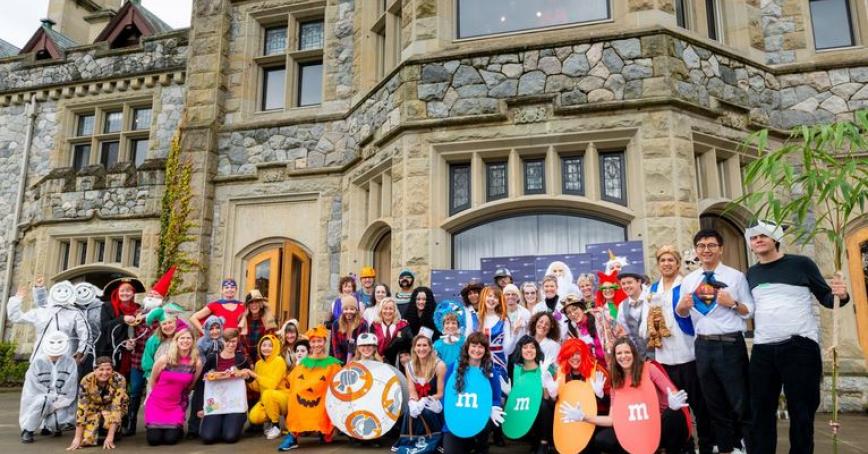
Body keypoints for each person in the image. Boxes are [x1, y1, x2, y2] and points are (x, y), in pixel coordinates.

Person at [745, 221, 850, 454]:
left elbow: (826, 297)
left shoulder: (802, 264)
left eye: (763, 235)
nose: (758, 240)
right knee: (760, 413)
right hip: (763, 350)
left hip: (799, 346)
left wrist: (841, 295)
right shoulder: (751, 274)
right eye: (753, 238)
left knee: (801, 413)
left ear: (775, 238)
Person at [676, 229, 754, 454]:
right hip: (703, 345)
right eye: (701, 246)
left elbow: (749, 311)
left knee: (739, 401)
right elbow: (681, 313)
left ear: (721, 249)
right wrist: (682, 307)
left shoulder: (736, 276)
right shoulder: (690, 280)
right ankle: (726, 448)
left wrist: (732, 303)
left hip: (730, 344)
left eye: (711, 245)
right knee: (714, 402)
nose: (706, 250)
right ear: (696, 250)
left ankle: (747, 444)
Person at [563, 337, 689, 454]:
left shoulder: (649, 369)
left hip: (658, 423)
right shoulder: (616, 382)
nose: (624, 356)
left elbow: (673, 393)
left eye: (627, 352)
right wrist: (583, 417)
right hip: (634, 428)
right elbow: (612, 420)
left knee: (675, 416)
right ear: (615, 357)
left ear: (633, 354)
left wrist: (672, 406)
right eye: (619, 353)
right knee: (603, 439)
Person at [641, 245, 712, 454]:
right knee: (676, 408)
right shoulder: (652, 289)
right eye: (662, 260)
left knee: (700, 405)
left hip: (689, 354)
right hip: (665, 358)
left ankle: (707, 445)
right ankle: (685, 445)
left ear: (678, 263)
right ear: (658, 264)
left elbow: (703, 314)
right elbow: (645, 323)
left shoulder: (687, 285)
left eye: (671, 260)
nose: (666, 264)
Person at [277, 325, 342, 451]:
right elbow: (292, 380)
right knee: (294, 398)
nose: (316, 344)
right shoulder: (303, 363)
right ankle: (293, 435)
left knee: (326, 401)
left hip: (323, 395)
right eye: (313, 341)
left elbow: (338, 383)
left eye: (319, 341)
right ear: (309, 343)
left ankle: (325, 431)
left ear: (324, 342)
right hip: (304, 395)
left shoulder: (333, 364)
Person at [441, 332, 504, 454]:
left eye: (481, 347)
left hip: (478, 421)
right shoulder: (454, 367)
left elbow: (496, 398)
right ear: (467, 347)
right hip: (456, 421)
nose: (477, 349)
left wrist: (493, 408)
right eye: (474, 345)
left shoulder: (490, 372)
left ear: (485, 350)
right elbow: (446, 394)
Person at [144, 328, 203, 446]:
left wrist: (182, 399)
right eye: (182, 338)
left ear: (193, 341)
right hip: (157, 403)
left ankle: (177, 427)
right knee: (154, 440)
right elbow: (153, 380)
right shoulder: (164, 359)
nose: (185, 341)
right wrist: (157, 395)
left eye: (188, 338)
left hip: (176, 404)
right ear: (176, 341)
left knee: (171, 440)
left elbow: (192, 384)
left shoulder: (196, 362)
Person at [7, 278, 88, 363]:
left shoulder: (74, 313)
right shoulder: (41, 312)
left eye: (66, 291)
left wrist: (81, 351)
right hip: (41, 357)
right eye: (59, 291)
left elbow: (84, 334)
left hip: (64, 359)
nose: (62, 294)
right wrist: (17, 299)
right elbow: (16, 317)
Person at [501, 336, 556, 454]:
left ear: (537, 350)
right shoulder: (517, 369)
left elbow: (548, 397)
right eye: (525, 347)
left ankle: (544, 442)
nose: (529, 350)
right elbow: (520, 395)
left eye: (532, 347)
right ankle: (533, 440)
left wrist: (544, 379)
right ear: (520, 350)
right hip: (526, 406)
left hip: (545, 406)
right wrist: (511, 394)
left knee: (543, 405)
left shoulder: (545, 367)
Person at [19, 331, 78, 443]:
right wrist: (49, 394)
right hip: (40, 397)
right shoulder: (38, 362)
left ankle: (48, 426)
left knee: (56, 424)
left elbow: (71, 384)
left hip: (60, 397)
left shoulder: (70, 362)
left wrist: (60, 397)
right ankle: (28, 430)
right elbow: (33, 384)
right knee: (43, 402)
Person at [198, 329, 253, 444]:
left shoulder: (241, 359)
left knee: (230, 437)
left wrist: (244, 374)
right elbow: (201, 382)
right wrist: (199, 407)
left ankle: (237, 420)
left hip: (235, 404)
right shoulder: (213, 358)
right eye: (227, 341)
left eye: (233, 341)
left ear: (237, 341)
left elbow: (251, 379)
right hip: (215, 404)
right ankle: (220, 423)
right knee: (208, 437)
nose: (230, 344)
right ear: (221, 341)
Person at [66, 356, 128, 450]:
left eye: (108, 369)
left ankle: (115, 431)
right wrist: (77, 438)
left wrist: (110, 437)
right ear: (94, 370)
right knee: (86, 441)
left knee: (110, 420)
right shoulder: (86, 381)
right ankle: (97, 428)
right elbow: (82, 409)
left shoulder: (119, 379)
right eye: (101, 369)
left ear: (112, 370)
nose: (105, 373)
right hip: (93, 407)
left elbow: (117, 408)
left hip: (112, 407)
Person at [402, 334, 446, 441]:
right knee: (410, 411)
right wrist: (414, 402)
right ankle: (412, 441)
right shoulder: (409, 366)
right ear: (414, 348)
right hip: (418, 401)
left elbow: (440, 393)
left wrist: (425, 401)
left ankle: (432, 441)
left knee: (426, 411)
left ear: (430, 348)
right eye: (418, 345)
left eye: (425, 345)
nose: (421, 349)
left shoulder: (439, 365)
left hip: (434, 402)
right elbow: (412, 391)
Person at [189, 315, 225, 439]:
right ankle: (193, 429)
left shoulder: (224, 341)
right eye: (211, 329)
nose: (214, 331)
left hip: (219, 376)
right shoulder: (201, 342)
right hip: (203, 376)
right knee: (198, 401)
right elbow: (199, 358)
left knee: (215, 400)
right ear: (206, 330)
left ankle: (213, 425)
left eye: (217, 328)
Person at [246, 333, 288, 440]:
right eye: (264, 345)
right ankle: (269, 420)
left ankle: (276, 426)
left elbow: (272, 385)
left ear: (275, 347)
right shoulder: (258, 364)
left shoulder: (279, 361)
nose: (266, 348)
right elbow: (257, 387)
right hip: (266, 399)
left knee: (268, 393)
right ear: (260, 347)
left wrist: (254, 375)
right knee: (254, 416)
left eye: (270, 345)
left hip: (283, 397)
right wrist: (248, 378)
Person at [477, 286, 515, 379]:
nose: (492, 299)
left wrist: (515, 333)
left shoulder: (504, 319)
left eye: (495, 297)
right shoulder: (474, 318)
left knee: (499, 392)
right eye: (489, 296)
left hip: (499, 366)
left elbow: (508, 350)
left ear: (499, 301)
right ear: (483, 297)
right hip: (477, 363)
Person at [561, 294, 606, 366]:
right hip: (594, 370)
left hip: (612, 366)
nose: (572, 314)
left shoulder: (600, 318)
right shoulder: (572, 331)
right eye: (568, 313)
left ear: (582, 308)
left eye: (574, 309)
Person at [617, 272, 653, 360]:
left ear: (639, 282)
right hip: (637, 356)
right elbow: (624, 332)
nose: (626, 286)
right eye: (623, 284)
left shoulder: (651, 299)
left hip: (658, 353)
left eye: (629, 282)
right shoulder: (622, 305)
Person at [141, 305, 183, 379]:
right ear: (160, 326)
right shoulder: (154, 339)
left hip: (178, 376)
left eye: (170, 322)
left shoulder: (182, 337)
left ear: (176, 323)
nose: (168, 326)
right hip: (157, 377)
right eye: (164, 324)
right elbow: (147, 360)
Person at [72, 282, 103, 378]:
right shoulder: (72, 308)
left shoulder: (102, 307)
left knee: (89, 378)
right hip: (74, 349)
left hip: (95, 349)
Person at [369, 297, 412, 366]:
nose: (388, 311)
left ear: (395, 310)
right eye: (385, 308)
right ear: (381, 310)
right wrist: (381, 360)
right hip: (378, 362)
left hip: (399, 364)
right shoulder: (374, 326)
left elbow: (410, 344)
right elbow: (371, 346)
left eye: (391, 308)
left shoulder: (403, 325)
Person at [239, 289, 277, 362]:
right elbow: (241, 344)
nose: (254, 305)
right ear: (248, 305)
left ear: (261, 303)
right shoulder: (242, 319)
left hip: (265, 357)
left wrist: (260, 361)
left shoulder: (269, 319)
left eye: (257, 302)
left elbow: (271, 341)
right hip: (247, 358)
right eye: (251, 302)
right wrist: (249, 362)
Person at [331, 294, 369, 364]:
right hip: (340, 361)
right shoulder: (336, 324)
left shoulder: (362, 324)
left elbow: (363, 346)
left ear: (356, 310)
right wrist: (342, 364)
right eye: (346, 309)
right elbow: (335, 347)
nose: (349, 311)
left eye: (352, 309)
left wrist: (353, 361)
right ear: (342, 310)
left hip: (358, 360)